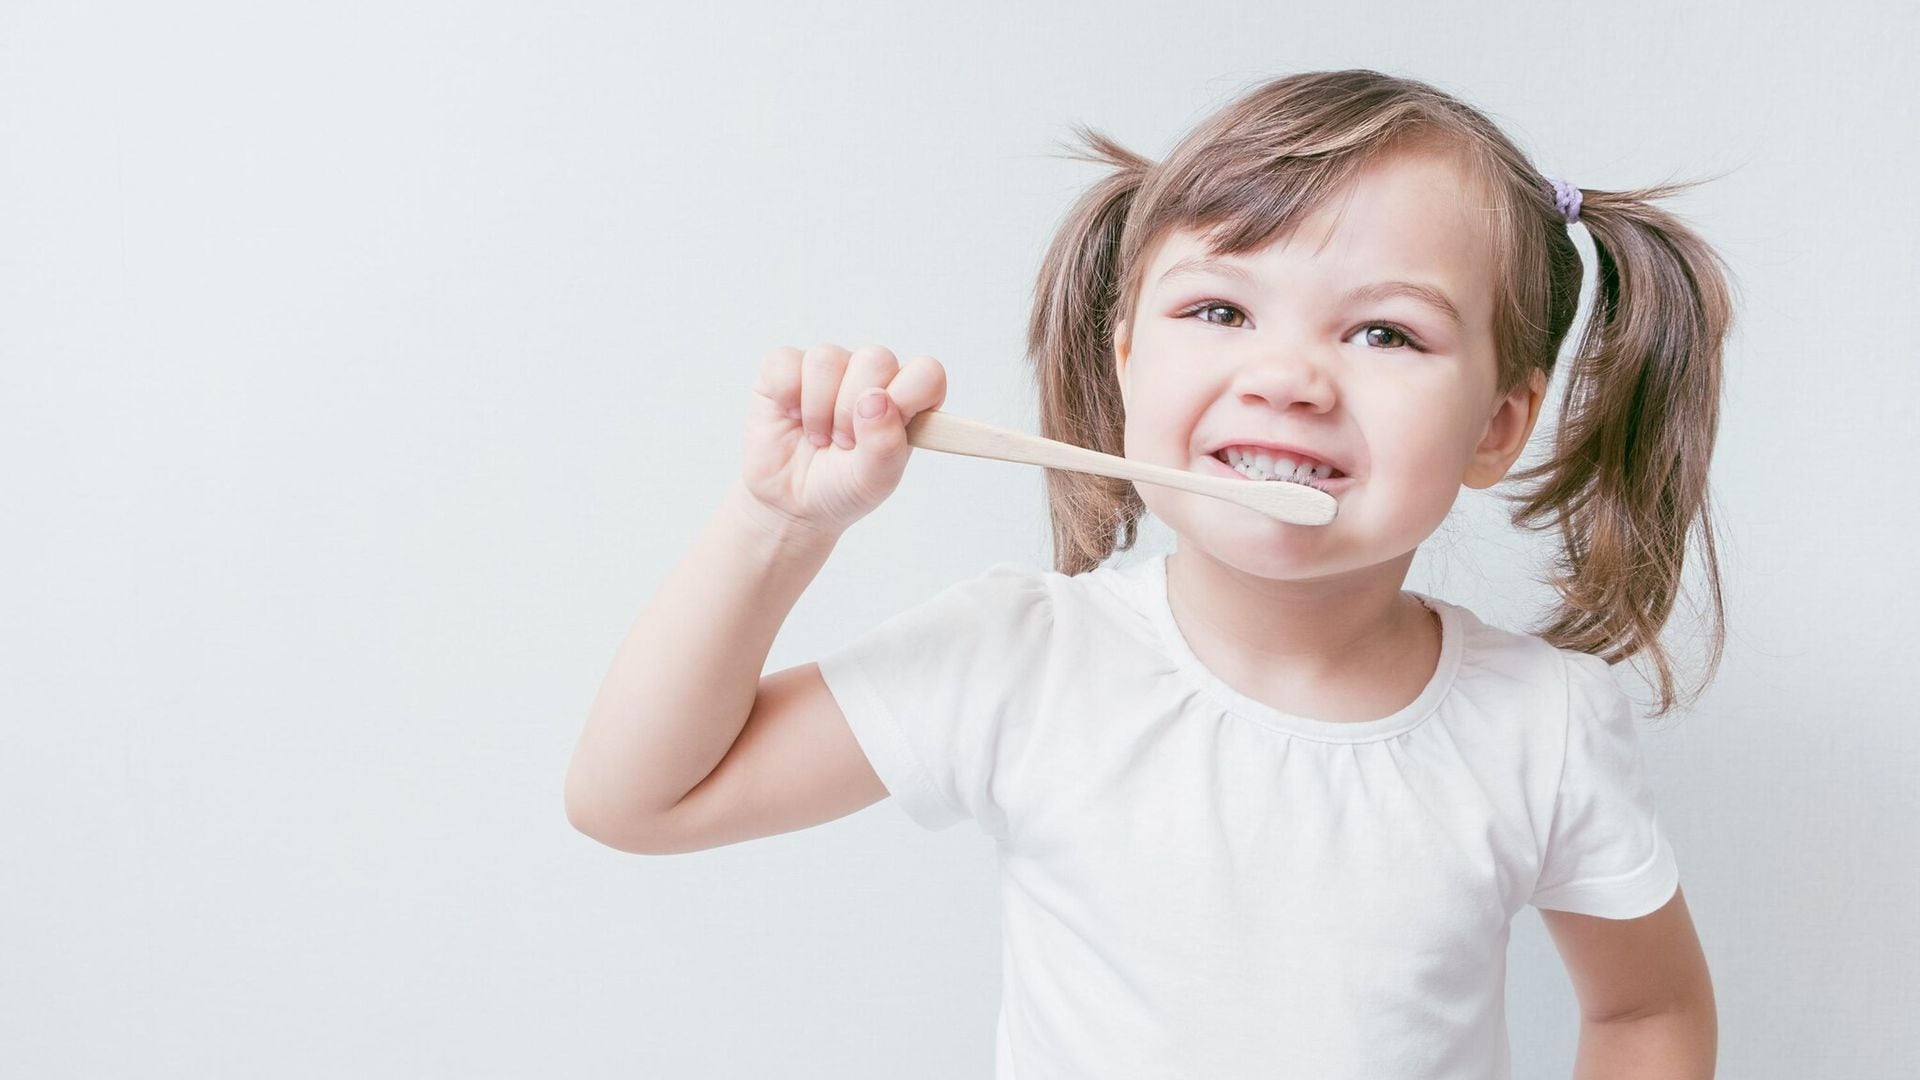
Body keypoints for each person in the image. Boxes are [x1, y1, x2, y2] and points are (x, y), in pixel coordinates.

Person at [566, 68, 1729, 1079]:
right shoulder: (1021, 658)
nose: (1289, 377)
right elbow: (639, 799)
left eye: (1384, 334)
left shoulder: (1544, 724)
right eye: (1220, 308)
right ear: (1126, 364)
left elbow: (1647, 1009)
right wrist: (778, 525)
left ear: (1497, 426)